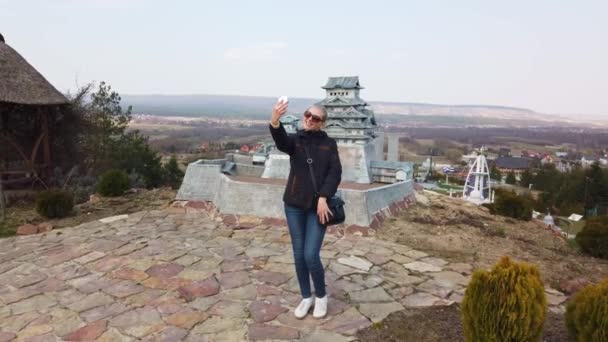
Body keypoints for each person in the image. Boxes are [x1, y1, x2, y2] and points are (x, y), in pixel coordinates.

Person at [269, 99, 342, 319]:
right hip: (293, 205)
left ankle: (320, 296)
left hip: (317, 208)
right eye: (307, 115)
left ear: (322, 123)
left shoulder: (329, 144)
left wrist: (323, 197)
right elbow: (281, 141)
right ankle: (305, 296)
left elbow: (334, 173)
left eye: (315, 118)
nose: (309, 119)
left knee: (311, 254)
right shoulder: (296, 140)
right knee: (299, 255)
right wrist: (275, 119)